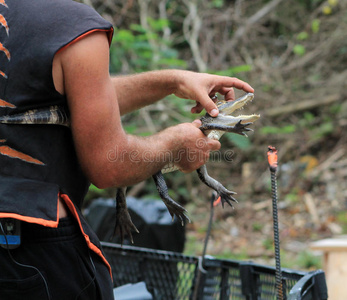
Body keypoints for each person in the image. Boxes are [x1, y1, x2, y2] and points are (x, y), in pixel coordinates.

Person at [0, 0, 254, 299]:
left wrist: (170, 82)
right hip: (28, 250)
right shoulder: (67, 21)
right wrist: (175, 144)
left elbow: (76, 99)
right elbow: (110, 164)